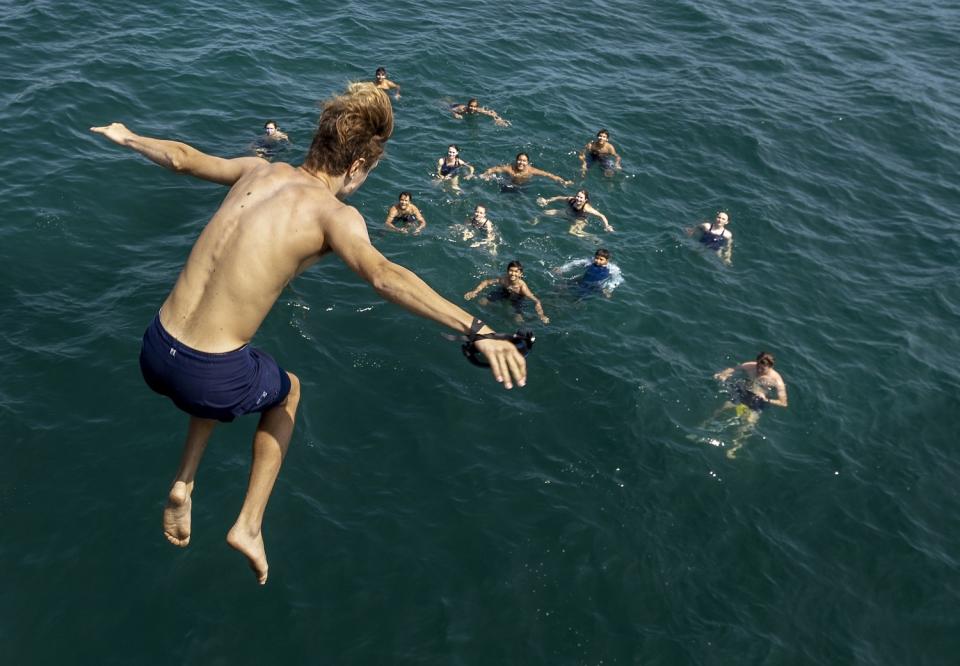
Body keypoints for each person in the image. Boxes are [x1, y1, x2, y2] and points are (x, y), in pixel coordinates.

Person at [90, 83, 526, 585]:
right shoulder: (333, 215)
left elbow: (184, 158)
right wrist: (479, 329)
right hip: (206, 374)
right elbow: (384, 276)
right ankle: (249, 525)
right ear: (358, 167)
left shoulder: (259, 169)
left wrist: (128, 137)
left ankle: (184, 483)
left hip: (154, 346)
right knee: (287, 390)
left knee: (234, 360)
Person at [712, 351, 788, 458]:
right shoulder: (750, 366)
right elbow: (733, 369)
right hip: (745, 391)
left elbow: (783, 403)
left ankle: (734, 447)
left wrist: (767, 400)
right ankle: (706, 424)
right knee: (725, 406)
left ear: (770, 367)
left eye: (763, 369)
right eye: (758, 366)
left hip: (759, 399)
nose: (759, 370)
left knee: (748, 423)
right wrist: (723, 375)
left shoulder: (776, 380)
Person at [464, 260, 550, 324]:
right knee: (482, 301)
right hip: (503, 292)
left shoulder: (522, 288)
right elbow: (486, 282)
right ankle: (492, 313)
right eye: (511, 271)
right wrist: (474, 292)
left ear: (520, 274)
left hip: (517, 298)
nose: (513, 273)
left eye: (516, 272)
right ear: (507, 271)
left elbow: (536, 301)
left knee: (518, 320)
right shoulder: (504, 280)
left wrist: (542, 316)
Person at [537, 189, 613, 235]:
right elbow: (559, 197)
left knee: (572, 232)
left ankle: (592, 237)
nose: (578, 199)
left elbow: (601, 216)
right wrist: (548, 201)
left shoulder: (587, 208)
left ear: (585, 200)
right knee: (544, 212)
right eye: (578, 196)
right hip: (566, 214)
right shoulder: (571, 199)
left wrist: (607, 226)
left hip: (579, 220)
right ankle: (534, 222)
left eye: (581, 198)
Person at [553, 248, 623, 298]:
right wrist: (562, 268)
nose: (598, 261)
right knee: (562, 286)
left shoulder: (612, 268)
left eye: (601, 259)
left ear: (607, 260)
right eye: (596, 258)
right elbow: (575, 263)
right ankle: (554, 296)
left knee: (579, 297)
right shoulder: (590, 262)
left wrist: (609, 289)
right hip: (582, 279)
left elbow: (617, 279)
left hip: (596, 285)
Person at [480, 152, 572, 189]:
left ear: (527, 162)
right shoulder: (510, 168)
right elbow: (494, 169)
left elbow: (548, 175)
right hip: (508, 184)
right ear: (516, 161)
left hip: (522, 187)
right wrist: (484, 175)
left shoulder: (531, 171)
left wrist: (563, 181)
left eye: (524, 161)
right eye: (519, 160)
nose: (521, 163)